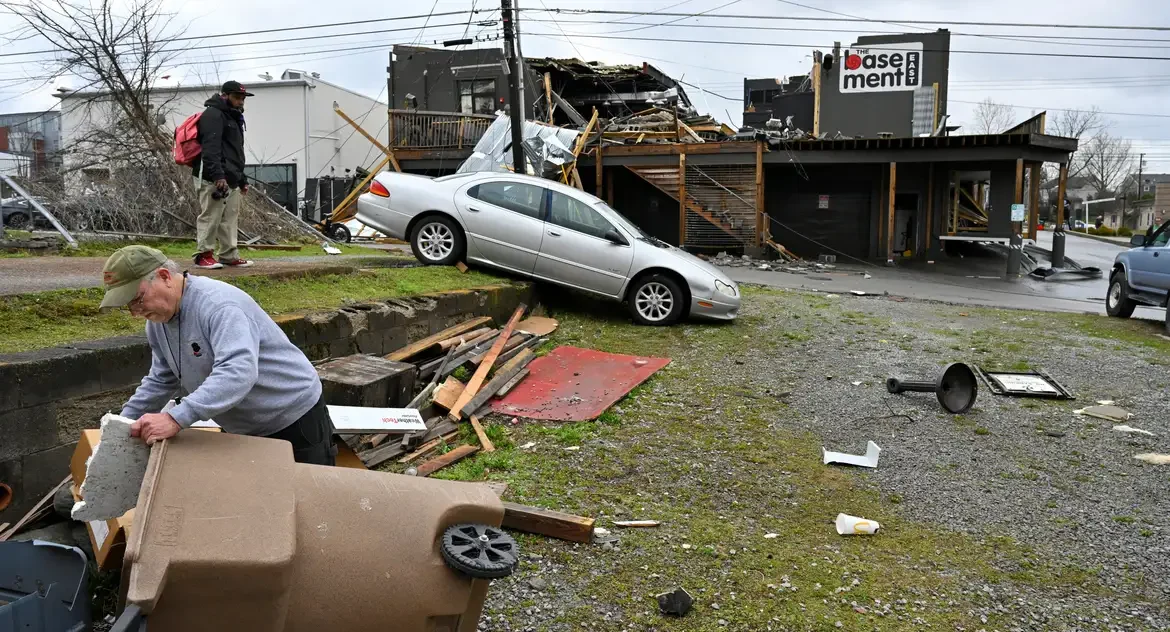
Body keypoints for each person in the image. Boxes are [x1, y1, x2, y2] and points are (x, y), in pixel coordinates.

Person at [99, 245, 336, 465]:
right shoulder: (158, 321)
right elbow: (162, 378)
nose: (135, 313)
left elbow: (238, 372)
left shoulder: (219, 306)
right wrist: (122, 425)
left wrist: (175, 418)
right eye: (128, 306)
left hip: (292, 417)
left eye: (137, 300)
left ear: (164, 276)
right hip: (241, 425)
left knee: (307, 501)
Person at [194, 80, 254, 270]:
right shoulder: (213, 114)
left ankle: (228, 255)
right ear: (225, 95)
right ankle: (203, 255)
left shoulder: (234, 117)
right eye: (237, 97)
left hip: (232, 176)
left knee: (229, 217)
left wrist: (242, 179)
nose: (241, 101)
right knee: (211, 215)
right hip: (213, 176)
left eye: (243, 97)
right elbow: (210, 149)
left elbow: (235, 152)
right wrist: (218, 176)